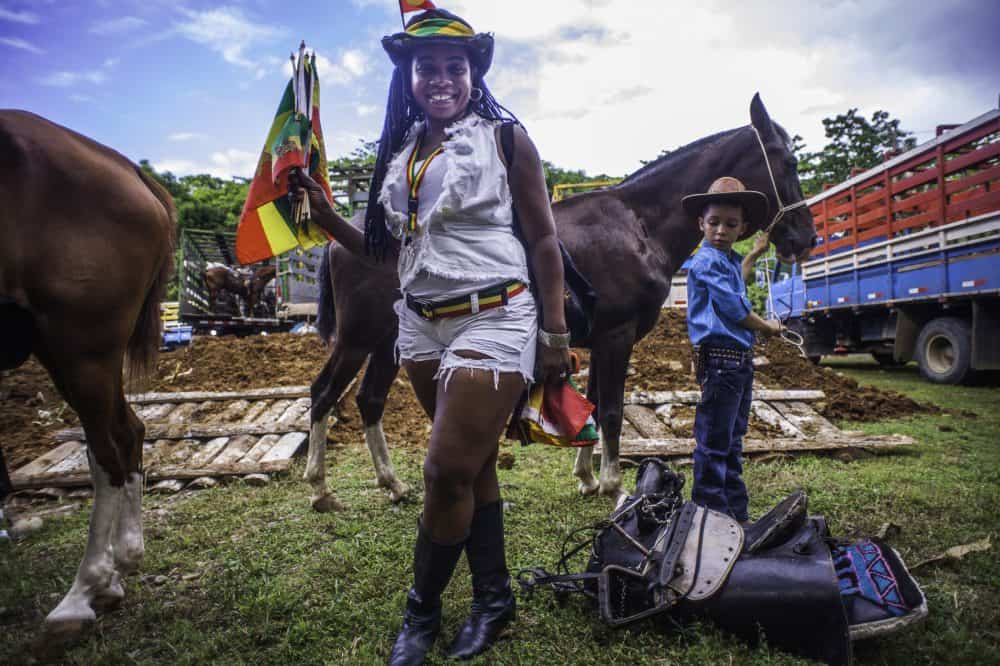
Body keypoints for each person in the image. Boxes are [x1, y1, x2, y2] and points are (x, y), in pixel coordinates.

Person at [289, 8, 573, 664]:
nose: (442, 78)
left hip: (496, 313)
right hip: (419, 323)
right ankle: (495, 600)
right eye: (428, 68)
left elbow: (545, 240)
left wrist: (555, 334)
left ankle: (420, 616)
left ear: (474, 72)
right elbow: (390, 254)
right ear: (408, 77)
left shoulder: (506, 139)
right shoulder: (402, 151)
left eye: (456, 65)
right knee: (470, 470)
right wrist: (324, 212)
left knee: (443, 470)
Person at [680, 177, 781, 525]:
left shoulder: (725, 259)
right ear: (701, 223)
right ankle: (710, 517)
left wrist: (753, 255)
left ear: (744, 228)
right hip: (721, 360)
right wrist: (767, 327)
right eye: (714, 222)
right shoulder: (706, 261)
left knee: (731, 441)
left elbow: (736, 279)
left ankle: (736, 516)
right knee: (713, 444)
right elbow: (735, 309)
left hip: (737, 362)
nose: (721, 230)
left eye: (731, 224)